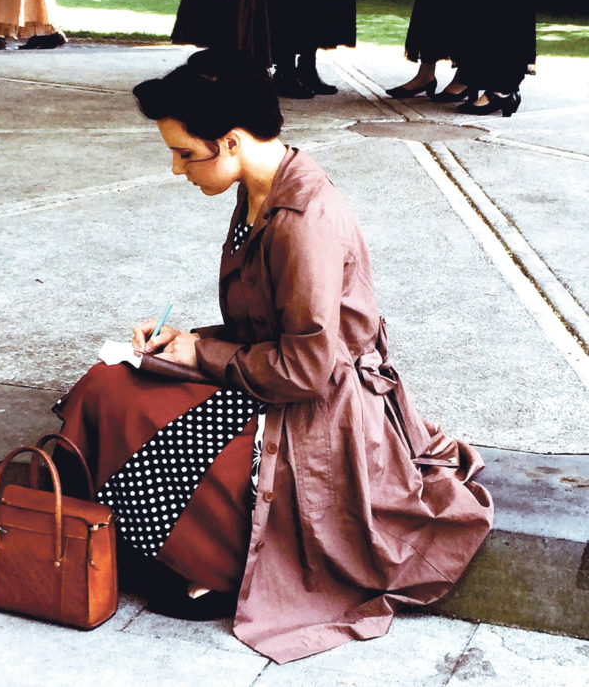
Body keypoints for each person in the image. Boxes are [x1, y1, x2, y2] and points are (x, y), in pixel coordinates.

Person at [52, 50, 493, 665]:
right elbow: (268, 319)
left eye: (185, 153)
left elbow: (308, 371)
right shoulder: (261, 187)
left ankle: (215, 560)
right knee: (107, 382)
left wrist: (200, 352)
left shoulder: (300, 220)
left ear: (230, 142)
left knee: (138, 410)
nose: (178, 169)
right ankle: (140, 537)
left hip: (319, 407)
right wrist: (186, 338)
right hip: (270, 373)